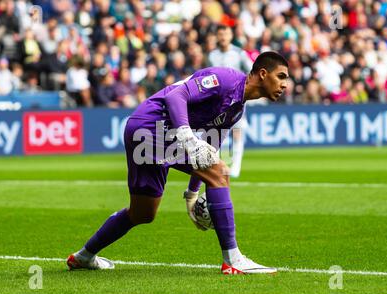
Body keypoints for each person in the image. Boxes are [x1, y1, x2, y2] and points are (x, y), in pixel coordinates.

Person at [67, 51, 289, 275]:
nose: (285, 85)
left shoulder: (236, 110)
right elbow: (175, 97)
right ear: (263, 73)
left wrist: (192, 195)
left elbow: (208, 151)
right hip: (152, 126)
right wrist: (187, 138)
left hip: (147, 131)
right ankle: (233, 259)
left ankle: (84, 256)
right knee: (220, 172)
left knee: (143, 213)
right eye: (281, 76)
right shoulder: (225, 79)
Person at [208, 25, 253, 178]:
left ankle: (236, 166)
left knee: (237, 131)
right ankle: (217, 164)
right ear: (217, 36)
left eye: (225, 33)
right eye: (220, 34)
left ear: (231, 35)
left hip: (236, 99)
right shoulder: (212, 55)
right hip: (217, 100)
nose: (223, 37)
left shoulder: (239, 54)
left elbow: (251, 71)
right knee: (216, 131)